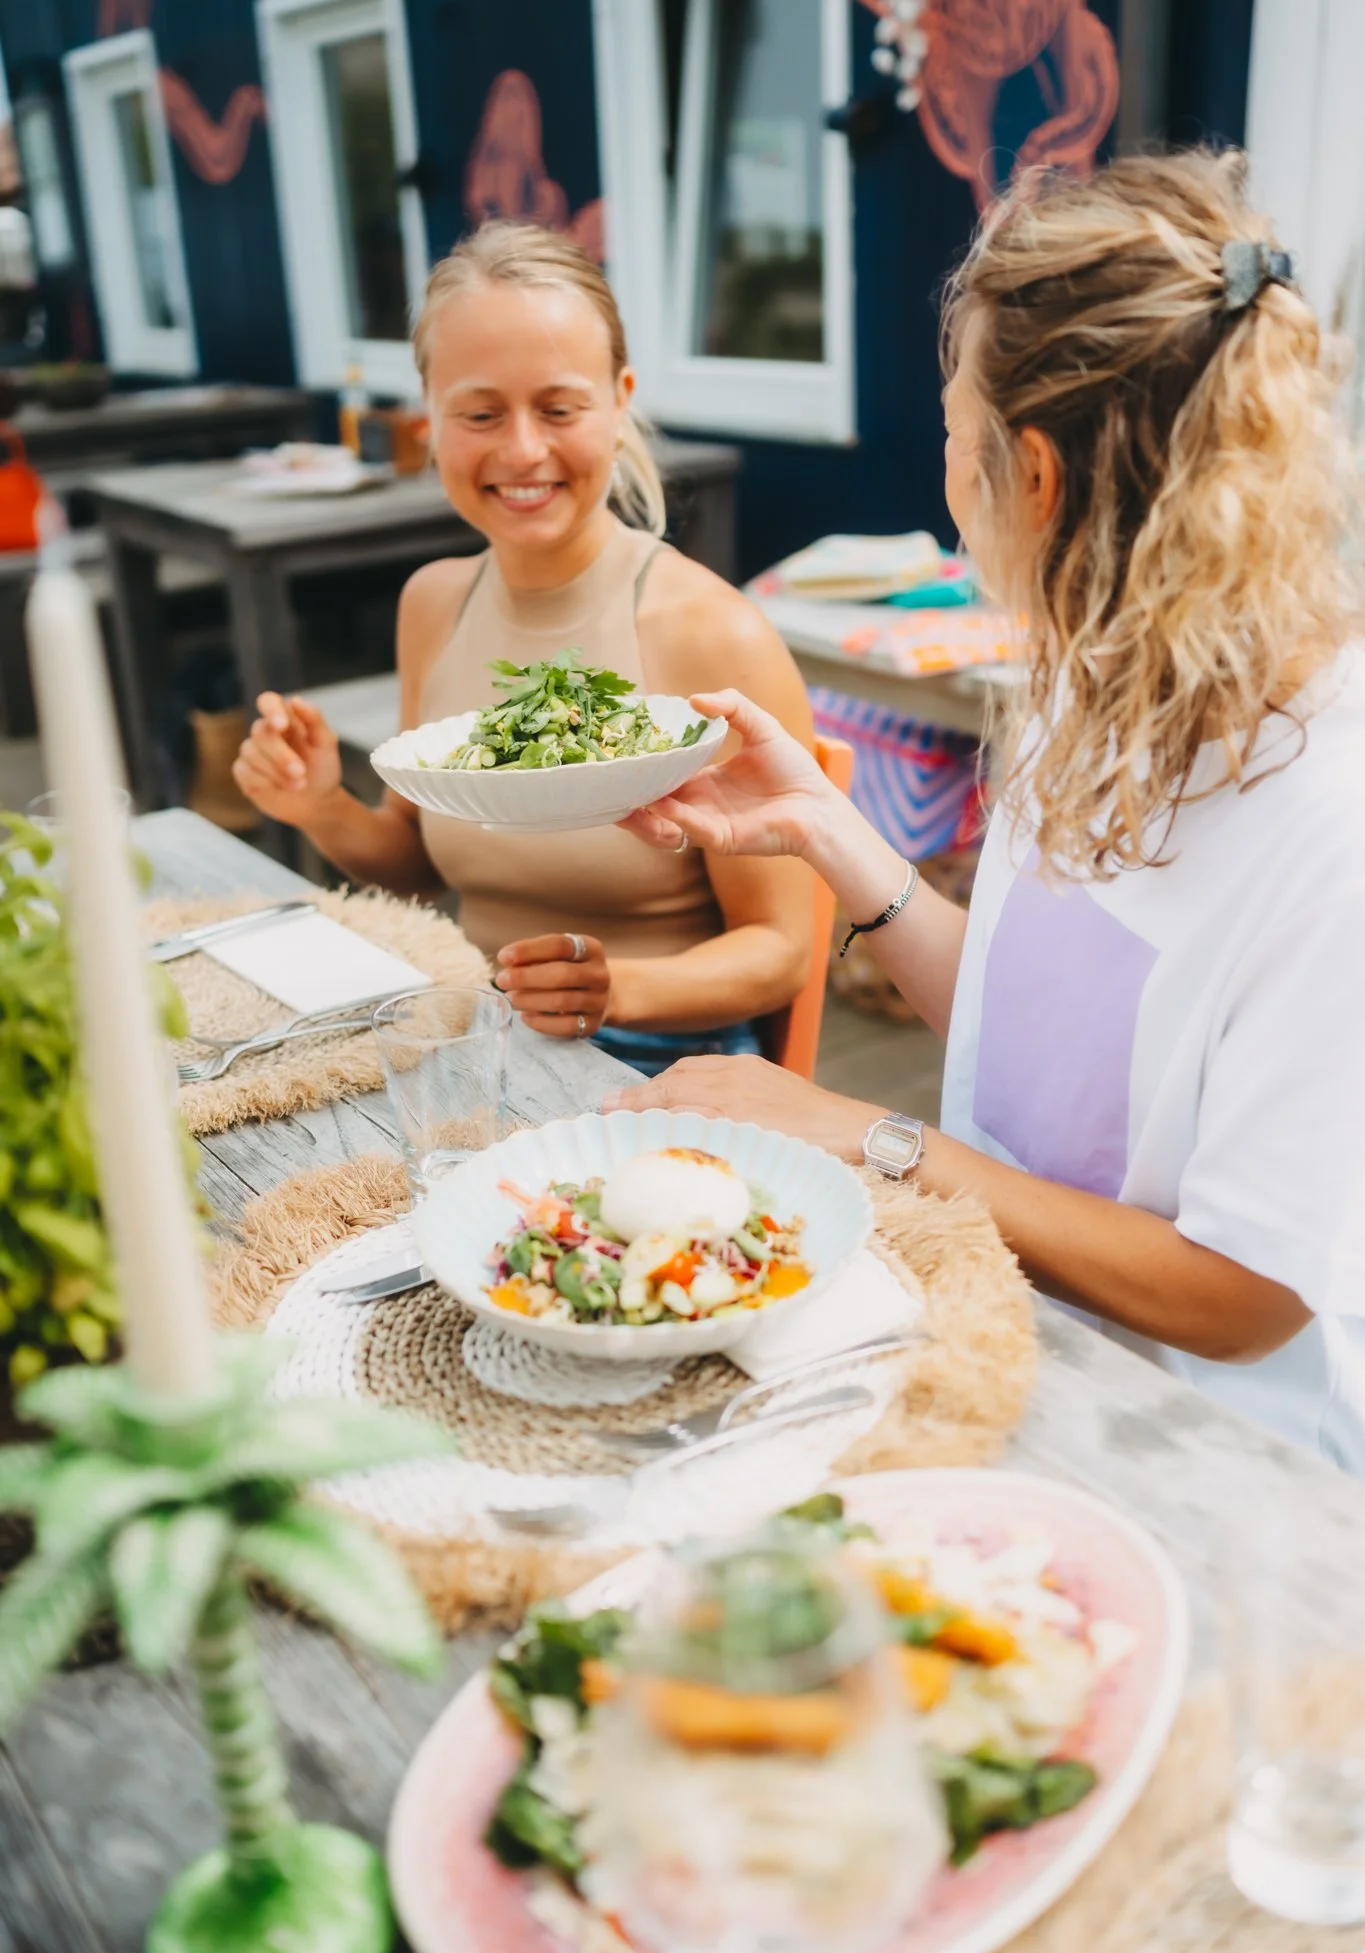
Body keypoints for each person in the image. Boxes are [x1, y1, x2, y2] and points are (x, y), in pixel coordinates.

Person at [609, 152, 1365, 1472]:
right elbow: (1036, 1064)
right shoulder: (1096, 668)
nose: (946, 486)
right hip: (1000, 1350)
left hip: (1209, 1470)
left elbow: (1240, 1299)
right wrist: (836, 842)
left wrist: (864, 1135)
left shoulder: (1329, 823)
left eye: (952, 442)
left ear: (1034, 475)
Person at [231, 222, 814, 1077]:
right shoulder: (432, 602)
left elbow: (781, 948)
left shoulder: (709, 632)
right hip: (470, 1034)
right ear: (429, 418)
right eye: (479, 413)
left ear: (619, 400)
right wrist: (319, 804)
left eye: (558, 407)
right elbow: (416, 865)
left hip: (659, 1056)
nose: (522, 450)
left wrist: (618, 989)